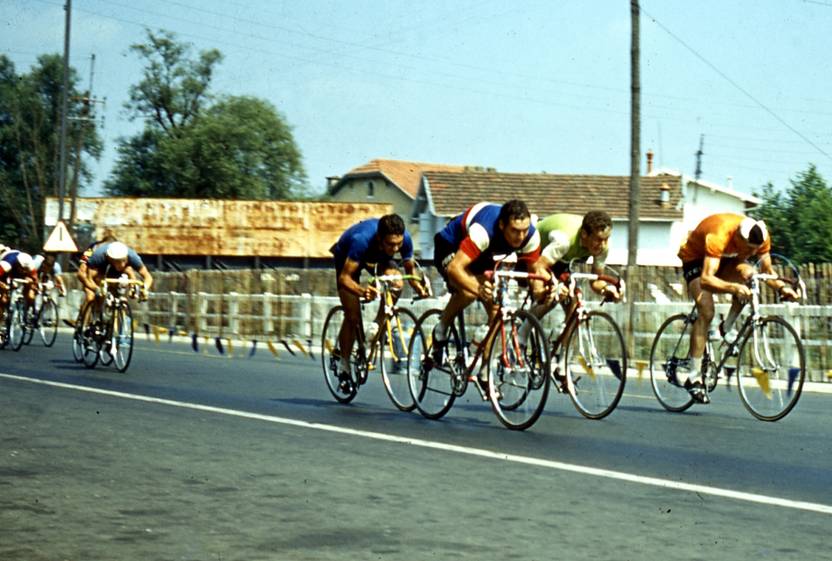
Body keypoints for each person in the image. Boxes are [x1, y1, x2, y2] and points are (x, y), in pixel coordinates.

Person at [677, 213, 798, 403]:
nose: (751, 254)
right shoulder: (719, 234)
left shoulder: (762, 237)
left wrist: (784, 288)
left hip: (726, 258)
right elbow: (707, 279)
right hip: (697, 259)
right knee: (707, 311)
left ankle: (726, 328)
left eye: (755, 250)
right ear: (739, 238)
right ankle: (693, 377)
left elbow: (767, 272)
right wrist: (734, 287)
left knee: (751, 275)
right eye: (748, 249)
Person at [431, 200, 541, 393]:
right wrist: (477, 288)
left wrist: (544, 290)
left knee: (497, 311)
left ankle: (484, 372)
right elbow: (455, 269)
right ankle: (440, 330)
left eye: (524, 230)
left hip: (485, 256)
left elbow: (534, 273)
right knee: (468, 291)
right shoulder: (484, 231)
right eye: (515, 230)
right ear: (502, 225)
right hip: (451, 245)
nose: (520, 237)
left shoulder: (531, 235)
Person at [330, 214, 428, 392]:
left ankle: (377, 323)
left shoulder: (403, 239)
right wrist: (362, 291)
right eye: (391, 244)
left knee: (397, 282)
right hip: (348, 257)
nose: (395, 248)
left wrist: (418, 286)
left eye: (398, 244)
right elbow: (345, 278)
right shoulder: (361, 240)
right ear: (379, 238)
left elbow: (409, 271)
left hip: (378, 257)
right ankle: (344, 366)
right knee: (352, 316)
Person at [77, 241, 153, 312]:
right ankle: (84, 319)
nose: (121, 264)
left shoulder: (132, 257)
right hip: (95, 264)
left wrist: (142, 288)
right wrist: (96, 289)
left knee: (128, 271)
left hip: (111, 265)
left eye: (123, 261)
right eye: (118, 261)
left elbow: (147, 276)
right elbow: (82, 275)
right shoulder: (93, 253)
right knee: (91, 295)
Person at [0, 249, 38, 322]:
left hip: (17, 271)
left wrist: (33, 285)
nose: (24, 271)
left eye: (25, 269)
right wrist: (2, 285)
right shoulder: (6, 264)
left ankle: (26, 312)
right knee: (3, 300)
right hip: (5, 273)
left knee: (30, 291)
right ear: (17, 264)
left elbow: (35, 279)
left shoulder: (30, 265)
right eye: (22, 268)